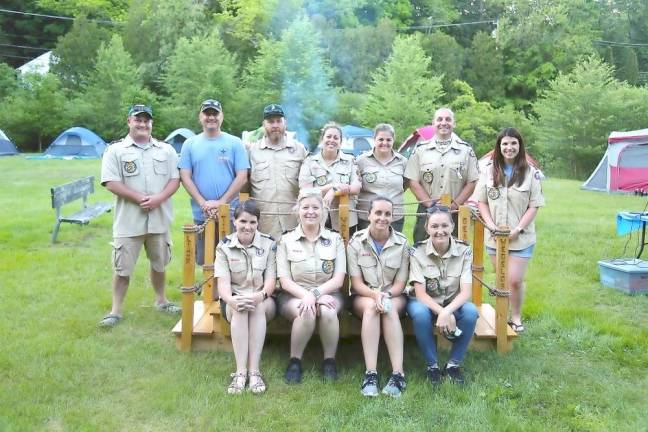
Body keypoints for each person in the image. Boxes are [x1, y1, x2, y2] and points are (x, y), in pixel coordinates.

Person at [98, 104, 181, 327]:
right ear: (129, 122)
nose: (142, 124)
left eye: (146, 120)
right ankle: (115, 311)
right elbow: (110, 181)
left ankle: (161, 300)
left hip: (159, 218)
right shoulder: (115, 151)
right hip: (129, 221)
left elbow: (175, 179)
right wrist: (138, 197)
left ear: (151, 123)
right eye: (138, 120)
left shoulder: (166, 150)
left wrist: (158, 198)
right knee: (122, 268)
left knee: (160, 264)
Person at [475, 127, 544, 333]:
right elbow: (481, 202)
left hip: (521, 238)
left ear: (520, 146)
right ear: (499, 147)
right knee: (501, 279)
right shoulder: (488, 171)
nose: (509, 147)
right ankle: (501, 316)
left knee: (514, 280)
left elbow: (535, 205)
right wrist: (491, 226)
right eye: (505, 144)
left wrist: (518, 229)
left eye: (513, 143)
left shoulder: (530, 173)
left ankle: (516, 316)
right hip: (495, 237)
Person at [276, 189, 346, 384]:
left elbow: (338, 279)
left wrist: (315, 294)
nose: (310, 212)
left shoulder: (335, 239)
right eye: (305, 207)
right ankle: (295, 361)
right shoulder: (286, 240)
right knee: (306, 310)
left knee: (328, 311)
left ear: (323, 211)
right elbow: (285, 281)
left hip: (328, 293)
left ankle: (329, 361)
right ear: (298, 210)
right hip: (293, 295)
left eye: (316, 207)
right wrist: (308, 296)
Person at [407, 205, 479, 384]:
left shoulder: (464, 251)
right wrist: (442, 312)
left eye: (445, 226)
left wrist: (447, 312)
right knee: (420, 313)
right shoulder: (417, 252)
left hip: (451, 302)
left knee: (471, 312)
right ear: (426, 228)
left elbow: (466, 292)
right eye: (435, 226)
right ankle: (432, 365)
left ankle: (453, 365)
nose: (440, 231)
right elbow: (421, 295)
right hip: (425, 302)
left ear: (452, 227)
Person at [347, 196, 409, 397]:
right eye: (378, 213)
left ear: (393, 216)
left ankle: (398, 374)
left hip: (394, 293)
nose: (383, 218)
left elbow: (400, 284)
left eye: (387, 214)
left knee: (388, 307)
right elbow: (356, 283)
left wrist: (386, 295)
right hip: (364, 295)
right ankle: (371, 373)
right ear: (369, 215)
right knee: (373, 307)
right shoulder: (356, 242)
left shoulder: (402, 243)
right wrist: (375, 295)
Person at [214, 201, 277, 394]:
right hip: (234, 300)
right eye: (243, 221)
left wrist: (260, 296)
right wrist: (232, 301)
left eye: (252, 222)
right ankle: (241, 373)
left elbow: (271, 282)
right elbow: (223, 286)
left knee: (255, 307)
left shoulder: (269, 244)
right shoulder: (224, 247)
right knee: (241, 309)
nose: (247, 226)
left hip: (263, 300)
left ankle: (255, 372)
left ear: (258, 223)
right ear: (235, 221)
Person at [179, 99, 250, 265]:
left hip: (231, 213)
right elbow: (185, 176)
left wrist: (221, 203)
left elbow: (242, 176)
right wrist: (203, 203)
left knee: (233, 260)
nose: (211, 117)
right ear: (200, 117)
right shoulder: (189, 144)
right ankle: (208, 291)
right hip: (202, 214)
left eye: (215, 114)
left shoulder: (235, 143)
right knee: (206, 259)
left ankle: (229, 291)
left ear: (222, 116)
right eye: (207, 113)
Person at [404, 107, 479, 242]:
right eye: (439, 119)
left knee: (455, 253)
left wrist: (455, 205)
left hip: (455, 211)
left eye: (448, 119)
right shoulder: (421, 150)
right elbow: (412, 181)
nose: (443, 123)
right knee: (422, 251)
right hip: (426, 210)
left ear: (454, 124)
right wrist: (430, 204)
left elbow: (471, 182)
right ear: (433, 123)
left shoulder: (465, 150)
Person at [247, 104, 308, 239]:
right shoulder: (252, 152)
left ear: (285, 123)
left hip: (294, 222)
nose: (275, 125)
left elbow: (308, 185)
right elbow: (245, 187)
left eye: (278, 121)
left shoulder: (299, 150)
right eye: (270, 121)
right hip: (263, 223)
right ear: (263, 124)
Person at [298, 122, 361, 233]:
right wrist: (333, 186)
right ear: (322, 139)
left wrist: (334, 191)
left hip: (345, 219)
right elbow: (306, 191)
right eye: (328, 136)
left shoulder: (350, 161)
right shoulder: (309, 162)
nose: (332, 140)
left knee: (345, 250)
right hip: (318, 219)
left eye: (336, 138)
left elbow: (356, 188)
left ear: (340, 142)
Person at [356, 124, 408, 233]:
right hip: (367, 217)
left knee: (393, 248)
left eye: (388, 140)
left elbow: (406, 184)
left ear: (393, 140)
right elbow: (356, 185)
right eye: (381, 139)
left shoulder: (402, 162)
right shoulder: (361, 161)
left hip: (395, 217)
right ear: (374, 140)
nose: (385, 143)